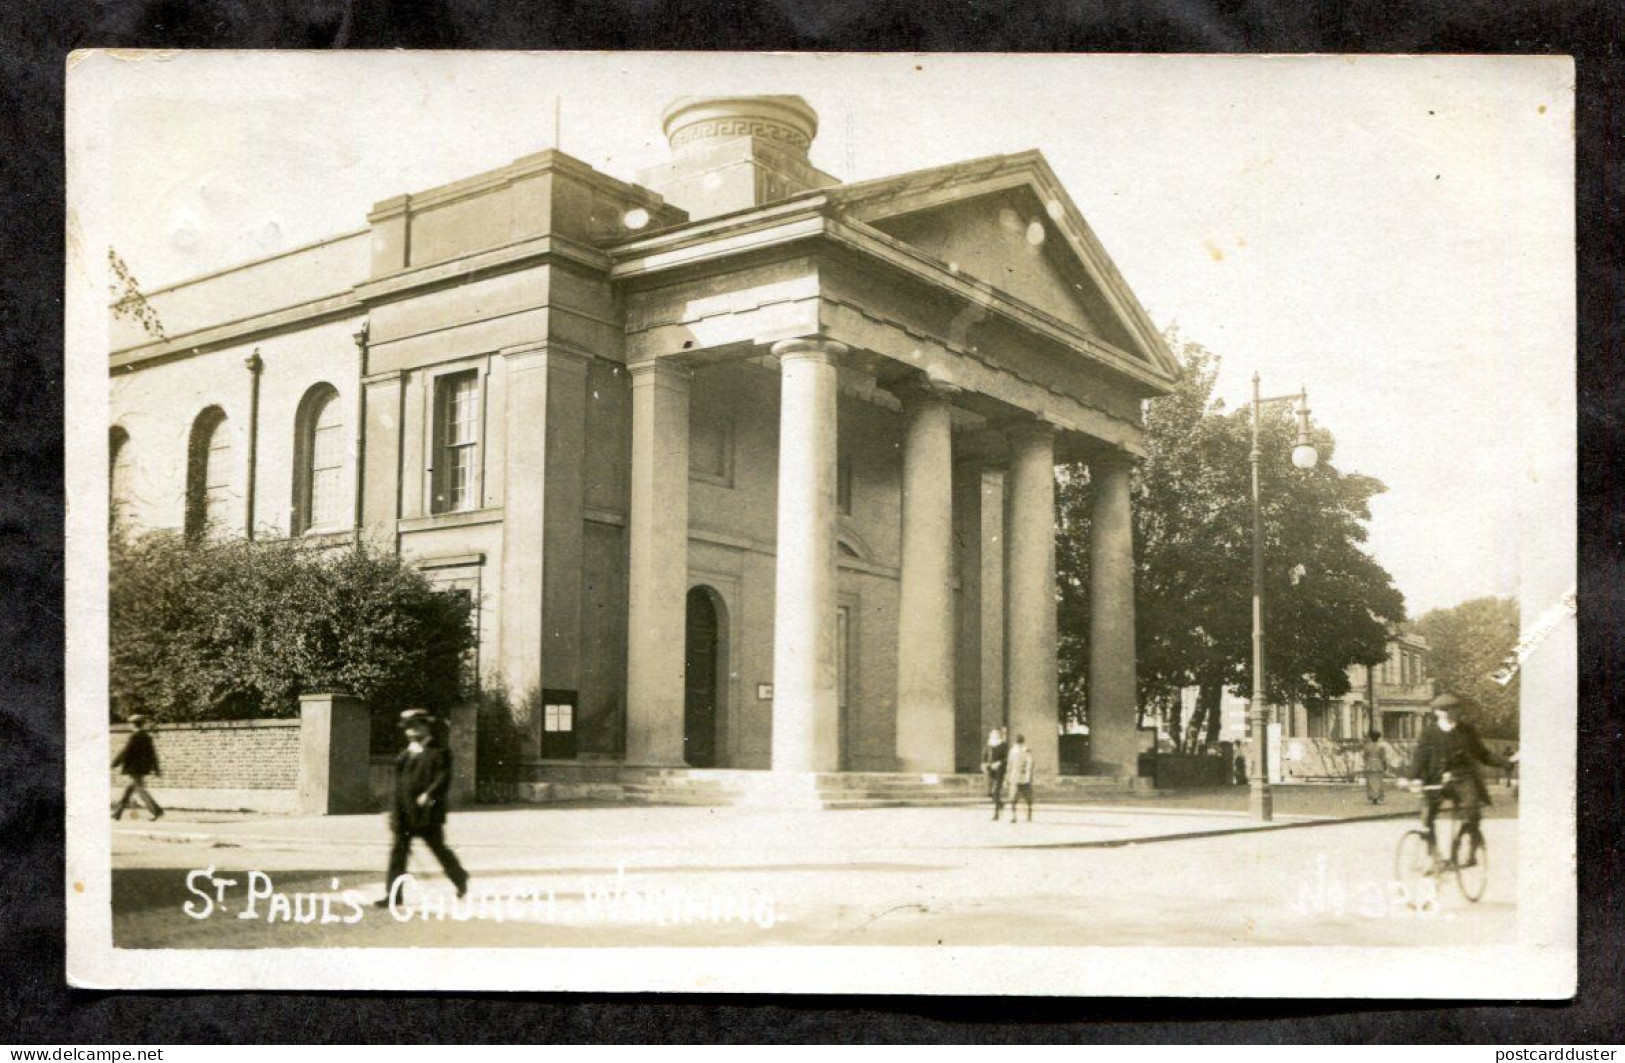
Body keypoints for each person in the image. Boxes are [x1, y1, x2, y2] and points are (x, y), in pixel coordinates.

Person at [1398, 692, 1512, 867]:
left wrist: (1506, 763)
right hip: (1436, 779)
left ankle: (1467, 847)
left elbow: (1482, 754)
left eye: (1455, 710)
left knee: (1472, 811)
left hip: (1463, 778)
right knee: (1427, 816)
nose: (1453, 714)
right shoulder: (1430, 733)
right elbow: (1420, 757)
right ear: (1438, 712)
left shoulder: (1466, 731)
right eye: (1447, 710)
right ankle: (1434, 855)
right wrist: (1409, 778)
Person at [376, 708, 468, 907]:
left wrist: (429, 794)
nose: (411, 732)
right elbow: (398, 788)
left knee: (438, 849)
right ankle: (394, 895)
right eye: (408, 728)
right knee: (397, 855)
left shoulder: (439, 752)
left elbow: (443, 778)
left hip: (428, 814)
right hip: (404, 814)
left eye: (416, 727)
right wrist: (393, 813)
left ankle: (459, 877)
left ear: (427, 727)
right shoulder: (404, 755)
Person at [111, 715, 163, 821]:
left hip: (134, 768)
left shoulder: (134, 736)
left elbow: (126, 752)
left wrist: (114, 763)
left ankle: (156, 810)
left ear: (133, 724)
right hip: (143, 768)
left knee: (140, 789)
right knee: (129, 790)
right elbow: (152, 754)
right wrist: (156, 769)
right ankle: (117, 813)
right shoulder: (147, 737)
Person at [981, 727, 1009, 821]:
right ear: (990, 735)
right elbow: (984, 757)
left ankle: (996, 814)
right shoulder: (988, 745)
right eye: (993, 734)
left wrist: (999, 763)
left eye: (996, 734)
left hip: (999, 771)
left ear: (999, 735)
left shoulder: (1003, 745)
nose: (995, 735)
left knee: (995, 791)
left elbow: (1006, 758)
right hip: (989, 771)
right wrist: (984, 765)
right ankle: (1000, 804)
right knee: (989, 792)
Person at [1005, 733, 1035, 823]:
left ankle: (1019, 815)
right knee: (1019, 797)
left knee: (1016, 797)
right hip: (1019, 776)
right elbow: (1030, 764)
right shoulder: (1021, 750)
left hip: (1018, 776)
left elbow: (1009, 765)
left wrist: (1007, 776)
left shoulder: (1016, 751)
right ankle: (1020, 815)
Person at [1362, 729, 1390, 804]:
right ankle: (1377, 797)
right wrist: (1385, 765)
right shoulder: (1381, 747)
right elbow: (1383, 757)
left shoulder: (1367, 746)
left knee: (1371, 782)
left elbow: (1364, 756)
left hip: (1370, 765)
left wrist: (1367, 762)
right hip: (1378, 765)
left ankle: (1372, 797)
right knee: (1378, 782)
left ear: (1371, 738)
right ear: (1378, 738)